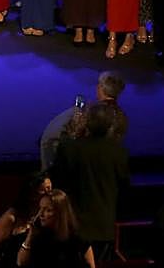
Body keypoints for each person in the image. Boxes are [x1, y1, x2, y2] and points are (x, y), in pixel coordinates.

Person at [49, 102, 130, 264]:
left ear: (87, 122)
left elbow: (57, 185)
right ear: (110, 125)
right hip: (103, 228)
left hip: (72, 229)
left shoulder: (69, 148)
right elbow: (124, 189)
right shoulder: (118, 152)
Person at [39, 70, 127, 171]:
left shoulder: (92, 111)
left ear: (100, 88)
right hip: (109, 165)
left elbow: (75, 135)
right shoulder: (121, 115)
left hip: (87, 164)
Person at [0, 173, 52, 268]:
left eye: (50, 189)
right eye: (45, 191)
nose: (50, 195)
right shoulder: (12, 217)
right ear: (32, 194)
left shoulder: (46, 216)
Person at [14, 189, 94, 267]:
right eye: (40, 208)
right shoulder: (38, 237)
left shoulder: (78, 240)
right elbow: (21, 262)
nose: (41, 214)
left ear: (60, 213)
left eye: (48, 210)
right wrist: (30, 236)